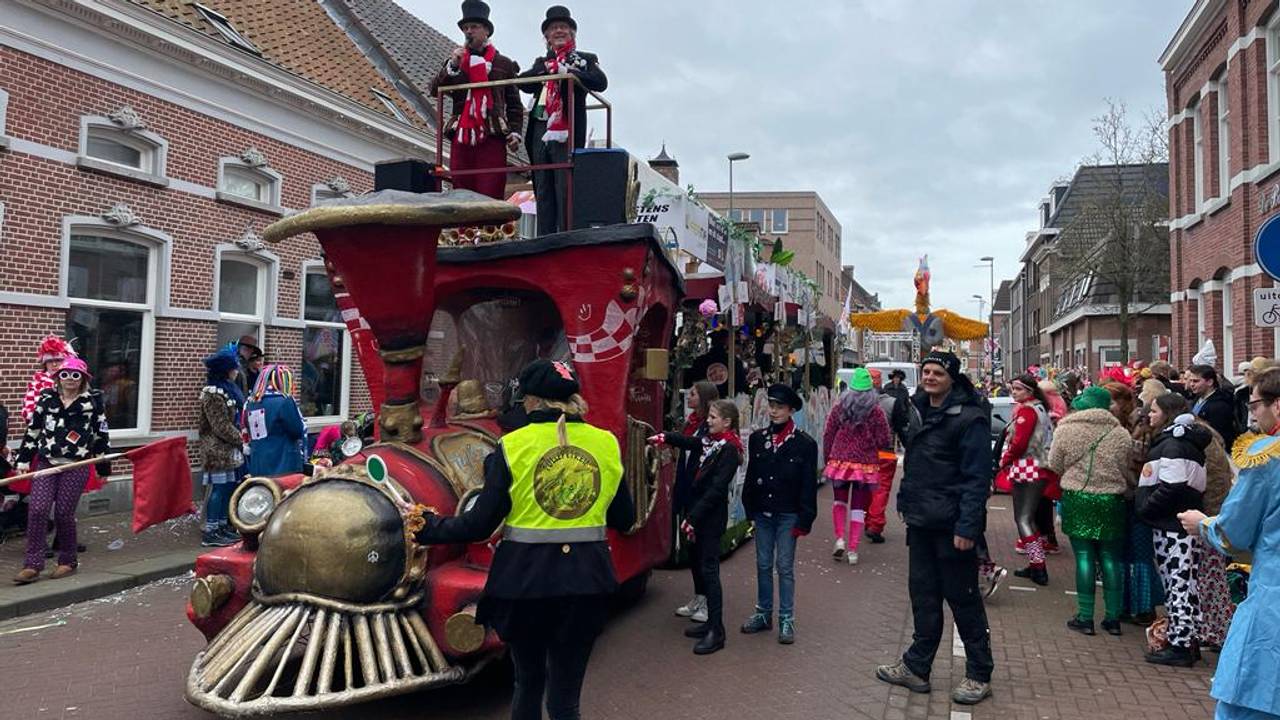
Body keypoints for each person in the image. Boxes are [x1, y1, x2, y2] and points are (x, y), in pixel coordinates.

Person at [414, 359, 634, 720]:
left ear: (530, 401)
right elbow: (624, 518)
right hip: (585, 584)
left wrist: (428, 526)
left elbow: (480, 525)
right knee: (565, 701)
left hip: (525, 584)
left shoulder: (512, 445)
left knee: (528, 684)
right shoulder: (605, 444)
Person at [876, 351, 993, 706]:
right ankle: (917, 666)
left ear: (952, 377)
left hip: (951, 524)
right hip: (922, 521)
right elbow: (915, 464)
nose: (929, 377)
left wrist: (968, 527)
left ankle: (979, 673)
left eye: (937, 372)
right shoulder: (917, 409)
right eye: (925, 371)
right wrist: (905, 503)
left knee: (963, 599)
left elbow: (977, 479)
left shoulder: (969, 418)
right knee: (923, 595)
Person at [1178, 366, 1280, 720]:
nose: (1251, 415)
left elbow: (1233, 531)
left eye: (1254, 406)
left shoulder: (1267, 458)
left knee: (1248, 700)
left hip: (1273, 597)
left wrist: (1202, 524)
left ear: (1277, 406)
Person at [651, 399, 742, 655]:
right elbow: (689, 441)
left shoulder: (729, 450)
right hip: (698, 514)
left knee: (710, 570)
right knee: (700, 565)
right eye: (709, 416)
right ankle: (710, 623)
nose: (708, 421)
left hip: (710, 518)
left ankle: (717, 629)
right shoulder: (710, 442)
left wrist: (694, 518)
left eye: (713, 417)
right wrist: (664, 436)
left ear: (727, 422)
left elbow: (716, 490)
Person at [12, 358, 111, 584]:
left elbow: (101, 435)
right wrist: (23, 461)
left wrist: (103, 466)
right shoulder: (47, 398)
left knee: (64, 513)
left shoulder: (92, 402)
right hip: (47, 463)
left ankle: (67, 560)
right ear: (58, 377)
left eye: (75, 375)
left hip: (75, 465)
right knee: (37, 510)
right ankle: (32, 565)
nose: (69, 380)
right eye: (65, 374)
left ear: (83, 379)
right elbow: (33, 430)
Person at [1048, 386, 1133, 636]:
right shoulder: (1120, 433)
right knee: (1110, 559)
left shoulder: (1066, 429)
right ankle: (1113, 618)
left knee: (1084, 557)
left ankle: (1085, 617)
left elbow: (1054, 464)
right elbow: (1125, 465)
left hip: (1079, 498)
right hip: (1111, 500)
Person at [740, 384, 818, 645]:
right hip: (763, 511)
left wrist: (805, 519)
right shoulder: (757, 438)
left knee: (784, 566)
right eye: (771, 405)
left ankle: (786, 617)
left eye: (779, 407)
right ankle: (764, 613)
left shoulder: (805, 444)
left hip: (788, 514)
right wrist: (749, 508)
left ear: (791, 410)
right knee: (762, 563)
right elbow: (751, 476)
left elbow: (808, 484)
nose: (773, 411)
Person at [519, 5, 607, 236]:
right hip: (540, 126)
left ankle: (566, 235)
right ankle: (544, 236)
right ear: (546, 36)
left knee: (564, 184)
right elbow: (522, 83)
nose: (558, 31)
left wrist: (569, 73)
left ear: (572, 34)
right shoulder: (541, 63)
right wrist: (546, 74)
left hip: (566, 127)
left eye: (563, 28)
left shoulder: (583, 59)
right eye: (553, 28)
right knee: (543, 185)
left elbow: (600, 82)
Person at [1136, 395, 1209, 667]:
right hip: (1176, 524)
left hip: (1172, 526)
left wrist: (1147, 508)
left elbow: (1172, 485)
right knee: (1183, 584)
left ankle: (1181, 645)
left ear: (1167, 413)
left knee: (1177, 584)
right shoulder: (1181, 443)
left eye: (1154, 411)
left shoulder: (1174, 444)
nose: (1149, 415)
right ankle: (1187, 639)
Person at [432, 0, 523, 199]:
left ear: (486, 31)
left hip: (491, 133)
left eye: (474, 27)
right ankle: (464, 231)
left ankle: (490, 230)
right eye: (466, 28)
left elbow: (515, 104)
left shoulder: (503, 64)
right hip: (462, 134)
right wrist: (453, 65)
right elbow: (434, 89)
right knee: (461, 187)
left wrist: (515, 132)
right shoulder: (456, 62)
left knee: (490, 187)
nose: (469, 32)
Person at [822, 368, 890, 565]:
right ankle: (853, 550)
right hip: (865, 464)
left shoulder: (839, 406)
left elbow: (828, 432)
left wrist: (829, 457)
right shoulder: (876, 411)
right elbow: (884, 438)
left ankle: (840, 538)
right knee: (859, 507)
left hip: (840, 461)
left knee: (839, 502)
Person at [997, 374, 1057, 586]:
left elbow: (1020, 443)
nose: (1014, 392)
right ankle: (1035, 563)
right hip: (1038, 466)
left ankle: (1038, 566)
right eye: (1012, 388)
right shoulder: (1041, 409)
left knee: (1023, 518)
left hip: (1028, 466)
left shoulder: (1027, 411)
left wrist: (1004, 460)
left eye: (1018, 389)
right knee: (1029, 518)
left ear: (1030, 391)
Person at [671, 379, 718, 624]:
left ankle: (710, 601)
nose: (688, 397)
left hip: (701, 494)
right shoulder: (689, 424)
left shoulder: (708, 428)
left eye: (693, 393)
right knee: (692, 548)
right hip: (687, 489)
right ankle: (699, 595)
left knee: (703, 551)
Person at [1192, 416, 1236, 652]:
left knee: (1209, 578)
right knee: (1213, 577)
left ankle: (1216, 631)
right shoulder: (1213, 443)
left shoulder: (1201, 447)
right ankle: (1216, 629)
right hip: (1215, 516)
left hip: (1208, 519)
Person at [198, 345, 245, 547]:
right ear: (226, 370)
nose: (236, 372)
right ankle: (211, 530)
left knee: (228, 488)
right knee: (218, 488)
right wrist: (242, 439)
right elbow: (220, 426)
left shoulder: (229, 390)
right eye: (234, 368)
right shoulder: (213, 394)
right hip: (216, 450)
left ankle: (223, 525)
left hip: (229, 449)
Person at [866, 368, 909, 544]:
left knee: (865, 489)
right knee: (881, 489)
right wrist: (910, 448)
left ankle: (864, 522)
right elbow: (901, 427)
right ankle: (875, 526)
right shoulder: (892, 402)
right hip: (885, 451)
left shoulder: (854, 401)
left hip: (863, 453)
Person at [242, 365, 306, 477]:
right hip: (283, 463)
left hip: (258, 463)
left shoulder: (251, 402)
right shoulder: (284, 401)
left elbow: (248, 428)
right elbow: (296, 431)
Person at [1187, 364, 1240, 450]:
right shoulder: (1196, 399)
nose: (1192, 384)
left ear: (1210, 382)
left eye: (1196, 381)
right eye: (1191, 381)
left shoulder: (1220, 405)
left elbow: (1220, 434)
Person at [687, 329, 748, 400]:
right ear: (726, 342)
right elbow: (741, 388)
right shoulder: (736, 362)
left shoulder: (701, 361)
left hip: (703, 400)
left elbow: (689, 381)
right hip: (726, 401)